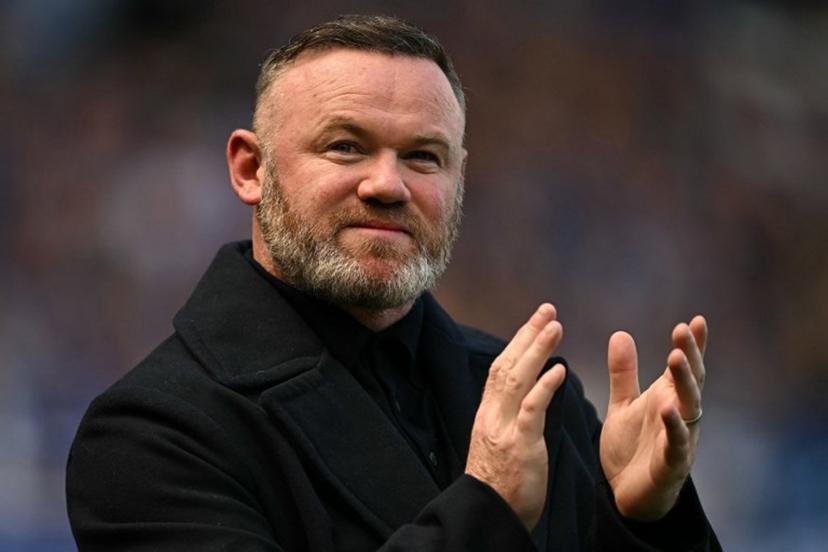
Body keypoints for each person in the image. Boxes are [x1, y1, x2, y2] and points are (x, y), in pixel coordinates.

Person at [66, 15, 721, 551]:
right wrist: (484, 509)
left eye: (422, 157)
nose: (387, 185)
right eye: (346, 146)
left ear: (458, 180)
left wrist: (644, 520)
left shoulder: (538, 401)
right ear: (250, 168)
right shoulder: (149, 435)